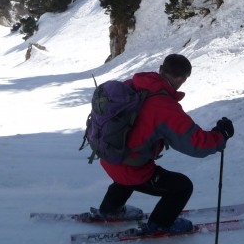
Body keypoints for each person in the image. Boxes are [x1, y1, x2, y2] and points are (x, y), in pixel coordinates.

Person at [96, 54, 234, 233]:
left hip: (109, 156)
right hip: (129, 166)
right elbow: (197, 145)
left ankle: (110, 209)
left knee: (129, 170)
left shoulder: (134, 83)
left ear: (161, 69)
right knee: (182, 187)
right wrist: (220, 135)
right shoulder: (164, 106)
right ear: (183, 79)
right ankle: (160, 224)